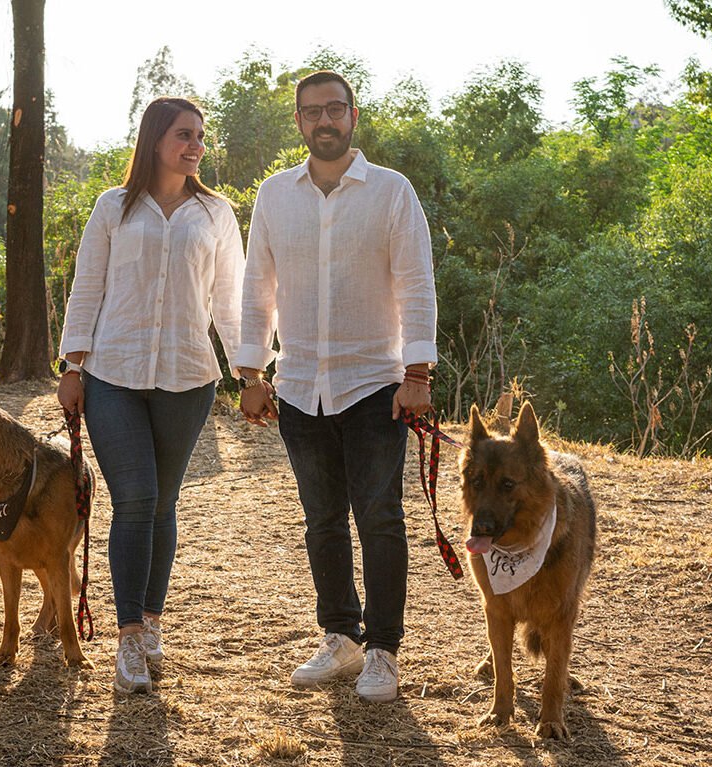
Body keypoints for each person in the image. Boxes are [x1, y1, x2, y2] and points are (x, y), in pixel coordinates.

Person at [235, 70, 437, 703]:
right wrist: (252, 372)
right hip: (297, 386)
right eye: (311, 112)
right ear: (298, 122)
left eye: (334, 110)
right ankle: (341, 638)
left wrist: (417, 374)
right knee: (321, 520)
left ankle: (382, 650)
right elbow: (256, 288)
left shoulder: (391, 192)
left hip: (375, 384)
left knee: (379, 517)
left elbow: (416, 284)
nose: (324, 121)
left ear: (354, 115)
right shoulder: (275, 195)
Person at [58, 97, 244, 694]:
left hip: (188, 378)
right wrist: (71, 365)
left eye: (200, 137)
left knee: (163, 503)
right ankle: (129, 635)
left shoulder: (216, 213)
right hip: (113, 374)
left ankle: (154, 620)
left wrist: (252, 374)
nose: (195, 146)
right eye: (184, 135)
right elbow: (88, 286)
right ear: (155, 139)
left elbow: (230, 301)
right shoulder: (113, 207)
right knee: (135, 498)